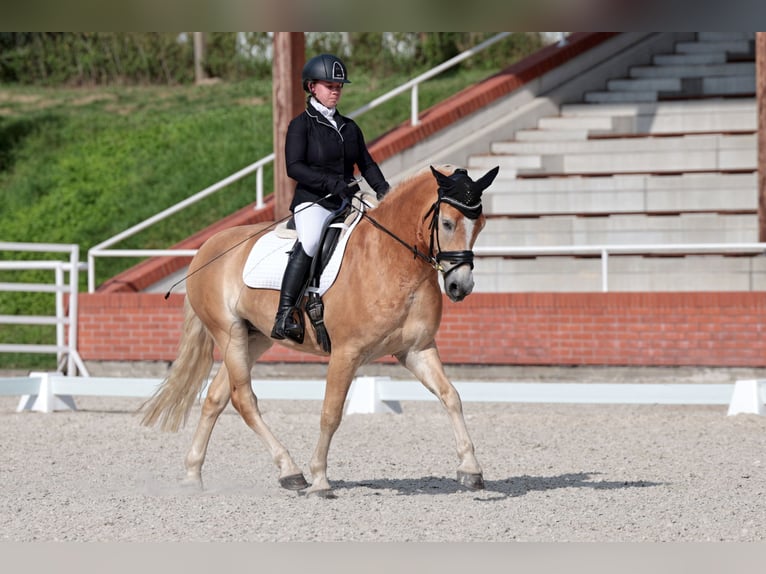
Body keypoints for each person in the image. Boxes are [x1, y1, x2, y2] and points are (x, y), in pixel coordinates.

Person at [271, 53, 391, 342]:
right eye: (330, 86)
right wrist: (332, 182)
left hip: (345, 201)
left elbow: (367, 164)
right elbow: (294, 167)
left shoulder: (349, 127)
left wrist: (385, 191)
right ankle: (285, 313)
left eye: (339, 86)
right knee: (311, 240)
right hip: (314, 201)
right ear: (312, 87)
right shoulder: (301, 125)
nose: (336, 91)